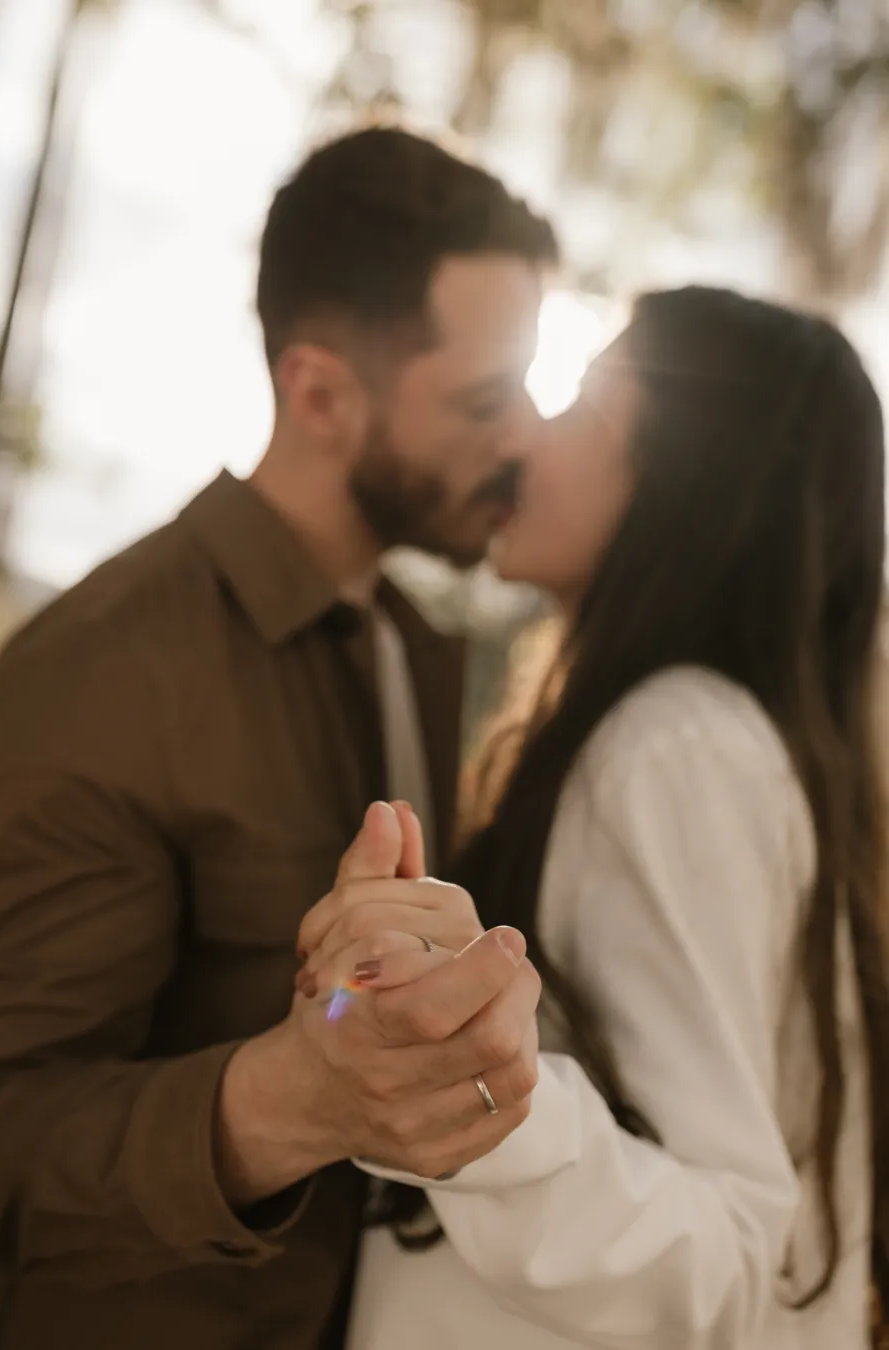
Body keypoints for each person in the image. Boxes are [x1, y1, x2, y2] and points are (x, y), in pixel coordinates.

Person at [0, 126, 555, 1350]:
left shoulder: (404, 643)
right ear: (319, 393)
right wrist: (289, 1101)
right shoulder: (107, 671)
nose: (526, 438)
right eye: (485, 398)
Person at [297, 286, 889, 1349]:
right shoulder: (697, 739)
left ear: (687, 485)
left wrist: (462, 1085)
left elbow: (731, 1248)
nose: (524, 432)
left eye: (578, 405)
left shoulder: (676, 750)